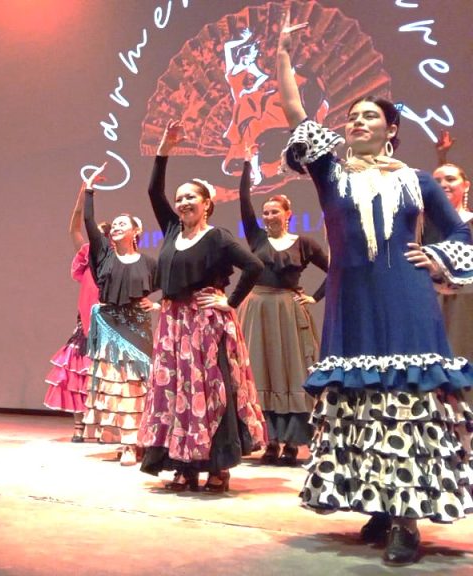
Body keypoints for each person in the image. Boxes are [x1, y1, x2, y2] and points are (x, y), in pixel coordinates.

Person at [277, 14, 473, 565]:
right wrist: (285, 60)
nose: (357, 121)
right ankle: (379, 505)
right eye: (352, 116)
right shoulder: (332, 175)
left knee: (404, 397)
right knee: (361, 397)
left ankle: (407, 519)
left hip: (404, 298)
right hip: (351, 299)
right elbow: (296, 114)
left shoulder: (418, 180)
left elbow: (458, 230)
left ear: (391, 129)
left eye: (369, 116)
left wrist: (434, 257)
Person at [138, 120, 266, 492]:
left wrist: (230, 302)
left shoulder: (218, 238)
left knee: (211, 393)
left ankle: (217, 466)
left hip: (205, 323)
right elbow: (152, 189)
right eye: (179, 199)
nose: (182, 203)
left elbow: (254, 265)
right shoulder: (173, 230)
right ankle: (184, 464)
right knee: (177, 392)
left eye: (190, 197)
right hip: (173, 323)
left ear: (207, 203)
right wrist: (164, 149)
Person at [237, 157, 328, 466]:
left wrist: (315, 298)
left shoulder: (304, 243)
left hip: (288, 312)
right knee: (260, 371)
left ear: (289, 214)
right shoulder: (257, 239)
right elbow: (243, 203)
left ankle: (292, 441)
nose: (268, 216)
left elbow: (337, 270)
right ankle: (269, 440)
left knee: (291, 372)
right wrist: (248, 167)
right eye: (265, 212)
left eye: (274, 211)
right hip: (258, 310)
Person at [80, 171, 158, 467]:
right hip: (110, 325)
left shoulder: (149, 262)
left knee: (136, 385)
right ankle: (126, 442)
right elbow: (89, 224)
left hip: (138, 327)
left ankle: (136, 440)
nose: (116, 227)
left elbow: (172, 282)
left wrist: (159, 304)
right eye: (114, 225)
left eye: (123, 224)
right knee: (115, 384)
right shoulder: (103, 255)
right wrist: (89, 192)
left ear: (136, 231)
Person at [43, 179, 104, 441]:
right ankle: (79, 427)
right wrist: (83, 193)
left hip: (110, 327)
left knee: (104, 377)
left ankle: (105, 427)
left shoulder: (118, 266)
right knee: (77, 372)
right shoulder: (86, 257)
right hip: (85, 325)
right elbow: (75, 225)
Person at [428, 132, 473, 361]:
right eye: (437, 182)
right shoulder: (425, 222)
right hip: (433, 302)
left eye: (451, 180)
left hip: (468, 302)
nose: (443, 185)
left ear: (466, 186)